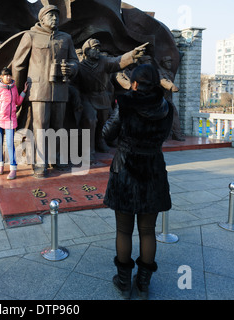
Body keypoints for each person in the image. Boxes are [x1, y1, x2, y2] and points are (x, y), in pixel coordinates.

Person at [102, 64, 173, 300]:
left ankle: (123, 282)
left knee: (124, 229)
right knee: (148, 230)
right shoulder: (166, 107)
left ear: (134, 83)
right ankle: (143, 284)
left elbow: (107, 134)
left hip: (126, 170)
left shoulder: (125, 104)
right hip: (153, 169)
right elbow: (163, 136)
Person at [11, 4, 79, 178]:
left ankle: (57, 157)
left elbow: (75, 61)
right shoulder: (31, 35)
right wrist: (18, 91)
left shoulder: (66, 38)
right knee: (41, 126)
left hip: (60, 89)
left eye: (56, 15)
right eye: (50, 16)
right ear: (41, 19)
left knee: (58, 125)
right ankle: (40, 163)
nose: (55, 18)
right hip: (38, 90)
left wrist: (70, 68)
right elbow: (18, 64)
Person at [0, 67, 28, 180]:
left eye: (9, 75)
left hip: (11, 120)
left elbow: (18, 102)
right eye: (6, 75)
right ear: (1, 77)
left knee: (10, 144)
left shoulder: (14, 88)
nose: (8, 77)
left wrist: (24, 92)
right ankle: (0, 166)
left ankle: (13, 169)